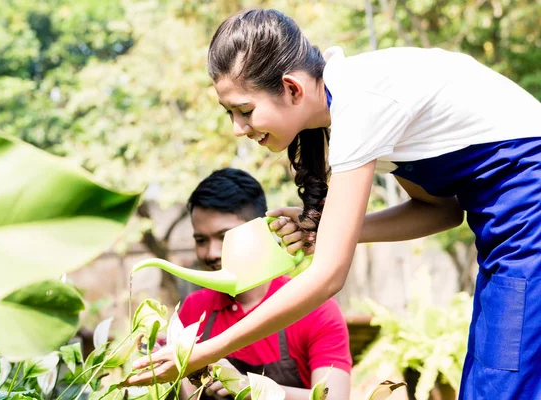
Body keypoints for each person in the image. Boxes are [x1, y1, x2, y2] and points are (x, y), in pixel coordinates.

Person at [129, 8, 541, 399]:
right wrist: (325, 232)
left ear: (291, 88)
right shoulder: (351, 106)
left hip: (527, 226)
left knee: (499, 383)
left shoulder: (362, 102)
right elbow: (441, 211)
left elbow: (327, 277)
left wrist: (204, 351)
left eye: (244, 110)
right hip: (505, 240)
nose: (238, 129)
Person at [178, 168, 351, 399]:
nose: (211, 253)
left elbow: (335, 397)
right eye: (201, 240)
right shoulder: (194, 308)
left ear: (259, 232)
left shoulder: (314, 307)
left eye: (224, 237)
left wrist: (250, 388)